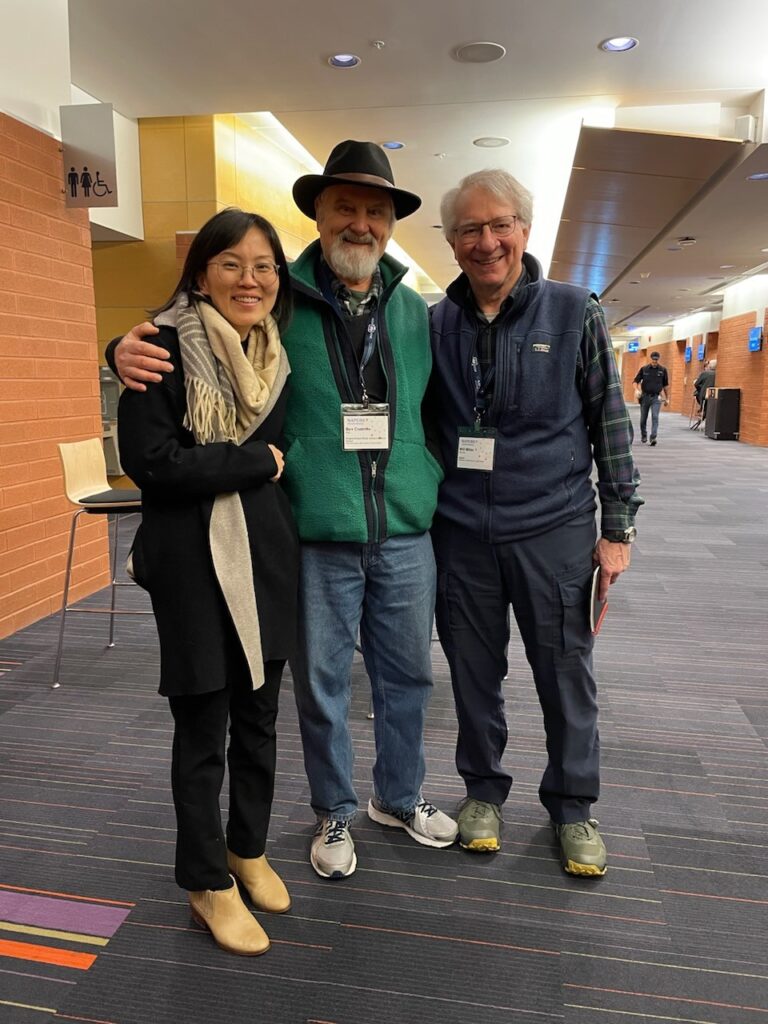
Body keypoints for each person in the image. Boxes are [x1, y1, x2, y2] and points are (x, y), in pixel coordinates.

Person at [108, 141, 457, 883]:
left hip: (402, 528)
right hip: (311, 529)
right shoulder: (281, 295)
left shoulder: (416, 311)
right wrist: (118, 349)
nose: (359, 225)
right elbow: (191, 333)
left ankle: (399, 795)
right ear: (319, 216)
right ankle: (333, 809)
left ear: (390, 224)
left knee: (409, 678)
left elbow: (441, 407)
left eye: (374, 212)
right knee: (322, 682)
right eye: (344, 209)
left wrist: (426, 479)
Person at [428, 169, 642, 876]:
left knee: (564, 673)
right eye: (468, 229)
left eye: (499, 225)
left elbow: (611, 422)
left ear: (524, 229)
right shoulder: (435, 322)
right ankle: (483, 791)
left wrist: (617, 528)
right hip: (462, 532)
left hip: (555, 529)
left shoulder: (574, 310)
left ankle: (574, 806)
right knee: (472, 673)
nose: (485, 242)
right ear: (452, 241)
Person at [117, 208, 299, 955]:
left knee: (259, 719)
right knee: (204, 728)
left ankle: (245, 848)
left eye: (263, 265)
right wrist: (258, 462)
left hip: (266, 557)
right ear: (201, 273)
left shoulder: (275, 355)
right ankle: (205, 881)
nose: (248, 279)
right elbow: (152, 463)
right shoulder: (158, 347)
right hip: (194, 566)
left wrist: (256, 465)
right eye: (231, 263)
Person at [633, 351, 669, 445]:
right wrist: (636, 390)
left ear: (658, 360)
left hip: (656, 398)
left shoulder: (663, 370)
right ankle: (644, 435)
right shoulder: (644, 369)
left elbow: (665, 386)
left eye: (656, 360)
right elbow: (635, 381)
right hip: (645, 397)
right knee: (643, 419)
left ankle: (653, 437)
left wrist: (667, 398)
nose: (654, 361)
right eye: (653, 359)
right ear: (651, 359)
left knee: (655, 416)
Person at [693, 358, 716, 427]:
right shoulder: (719, 374)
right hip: (714, 396)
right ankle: (704, 412)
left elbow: (696, 384)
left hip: (703, 396)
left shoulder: (705, 373)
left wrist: (700, 388)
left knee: (697, 395)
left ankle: (702, 411)